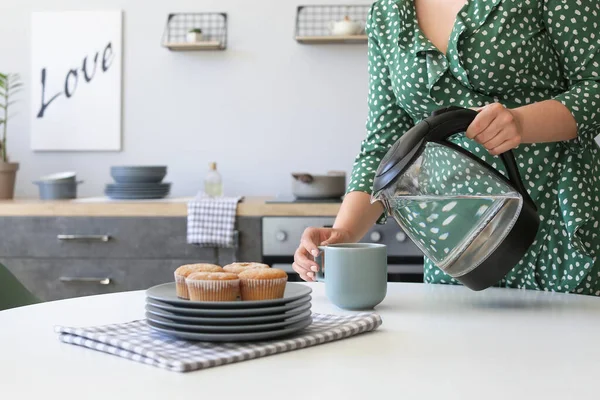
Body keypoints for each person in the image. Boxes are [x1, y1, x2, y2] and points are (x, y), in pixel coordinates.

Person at [293, 0, 600, 295]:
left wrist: (522, 123)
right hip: (455, 242)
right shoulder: (388, 11)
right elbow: (386, 144)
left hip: (560, 227)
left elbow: (595, 83)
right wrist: (344, 234)